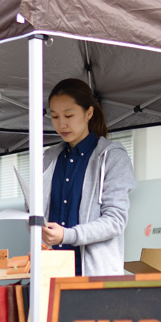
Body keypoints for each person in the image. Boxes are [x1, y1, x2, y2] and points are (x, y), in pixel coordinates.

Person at [41, 78, 135, 276]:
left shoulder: (112, 156)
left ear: (89, 113)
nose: (61, 124)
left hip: (94, 276)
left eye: (69, 115)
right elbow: (38, 214)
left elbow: (115, 220)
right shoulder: (49, 158)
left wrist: (67, 235)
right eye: (55, 116)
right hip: (51, 273)